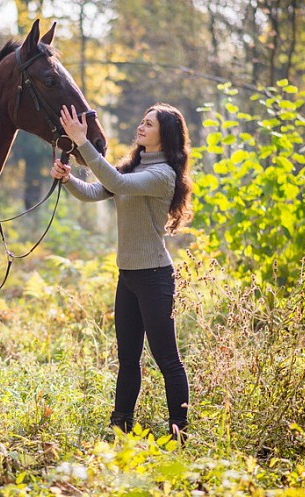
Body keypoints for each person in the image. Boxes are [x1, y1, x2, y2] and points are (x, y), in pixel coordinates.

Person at [51, 103, 193, 439]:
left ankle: (180, 432)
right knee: (128, 359)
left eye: (149, 124)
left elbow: (113, 180)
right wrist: (68, 178)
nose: (141, 127)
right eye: (141, 121)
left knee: (167, 360)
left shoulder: (162, 175)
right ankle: (120, 428)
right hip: (127, 276)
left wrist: (81, 140)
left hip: (155, 277)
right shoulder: (134, 167)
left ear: (165, 134)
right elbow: (93, 191)